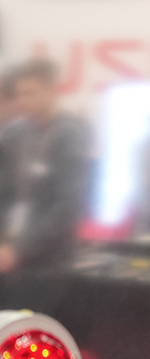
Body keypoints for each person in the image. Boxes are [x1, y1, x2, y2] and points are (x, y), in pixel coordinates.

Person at [0, 59, 89, 315]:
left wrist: (20, 248)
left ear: (52, 90)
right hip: (11, 251)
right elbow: (5, 193)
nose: (23, 101)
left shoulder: (70, 134)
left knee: (24, 334)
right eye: (19, 94)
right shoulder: (14, 134)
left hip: (47, 262)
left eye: (30, 93)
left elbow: (67, 205)